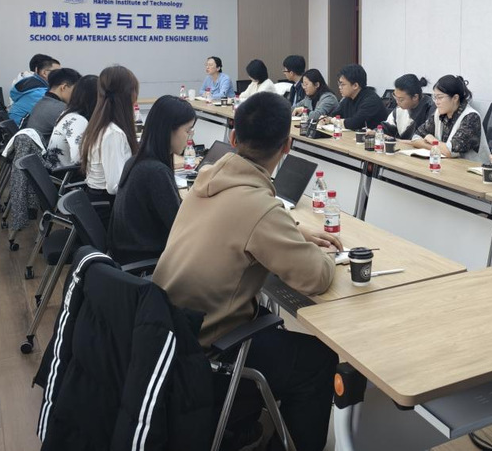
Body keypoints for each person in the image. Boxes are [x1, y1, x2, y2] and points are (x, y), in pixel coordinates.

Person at [153, 93, 341, 451]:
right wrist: (330, 255)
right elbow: (315, 277)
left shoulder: (207, 179)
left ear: (233, 138)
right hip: (209, 353)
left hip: (170, 335)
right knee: (318, 361)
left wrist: (291, 229)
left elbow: (243, 222)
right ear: (287, 146)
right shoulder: (259, 208)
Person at [108, 96, 196, 264]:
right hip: (144, 259)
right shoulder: (155, 171)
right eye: (187, 131)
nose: (190, 137)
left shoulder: (136, 160)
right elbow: (178, 227)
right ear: (169, 130)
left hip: (128, 252)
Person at [80, 65, 139, 216]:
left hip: (97, 202)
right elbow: (115, 186)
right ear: (128, 94)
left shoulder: (100, 124)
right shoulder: (113, 133)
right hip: (107, 209)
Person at [410, 75, 490, 163]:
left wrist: (432, 140)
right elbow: (416, 138)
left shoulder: (471, 117)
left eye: (440, 97)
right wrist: (437, 148)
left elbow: (450, 151)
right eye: (435, 97)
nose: (436, 102)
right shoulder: (439, 113)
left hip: (473, 168)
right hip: (448, 165)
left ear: (455, 98)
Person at [45, 74, 98, 168]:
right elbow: (79, 158)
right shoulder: (77, 120)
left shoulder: (68, 113)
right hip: (66, 174)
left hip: (59, 171)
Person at [25, 68, 81, 145]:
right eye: (75, 90)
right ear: (64, 87)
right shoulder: (60, 109)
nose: (76, 94)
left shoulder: (42, 102)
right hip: (46, 151)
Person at [324, 64, 388, 130]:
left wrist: (332, 120)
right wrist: (325, 119)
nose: (340, 87)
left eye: (342, 84)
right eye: (339, 84)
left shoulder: (371, 100)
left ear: (355, 85)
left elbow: (354, 123)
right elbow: (334, 115)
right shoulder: (348, 98)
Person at [9, 55, 60, 126]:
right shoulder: (38, 92)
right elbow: (57, 110)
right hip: (21, 127)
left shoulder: (31, 82)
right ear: (44, 73)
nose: (61, 75)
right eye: (57, 72)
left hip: (17, 123)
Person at [383, 74, 434, 140]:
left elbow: (422, 139)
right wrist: (375, 132)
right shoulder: (400, 108)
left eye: (401, 99)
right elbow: (387, 128)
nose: (397, 102)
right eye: (395, 97)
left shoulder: (431, 109)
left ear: (415, 97)